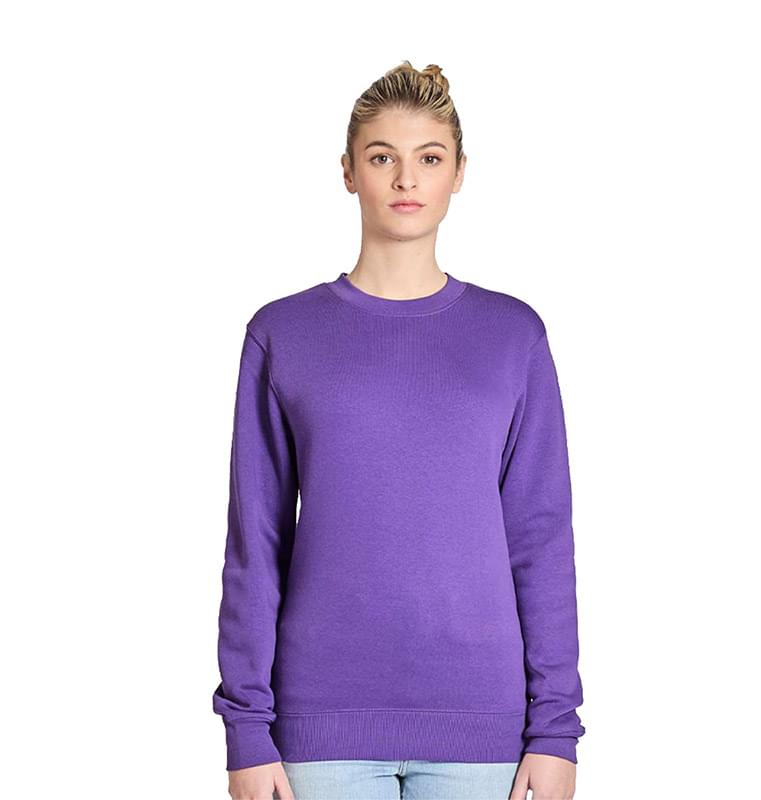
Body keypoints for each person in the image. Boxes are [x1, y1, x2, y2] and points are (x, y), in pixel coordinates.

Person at [212, 60, 586, 800]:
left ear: (459, 173)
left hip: (483, 728)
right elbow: (255, 542)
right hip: (318, 727)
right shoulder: (283, 334)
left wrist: (555, 729)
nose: (407, 179)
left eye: (430, 158)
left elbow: (541, 540)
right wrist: (246, 729)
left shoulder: (513, 337)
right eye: (383, 157)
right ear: (349, 171)